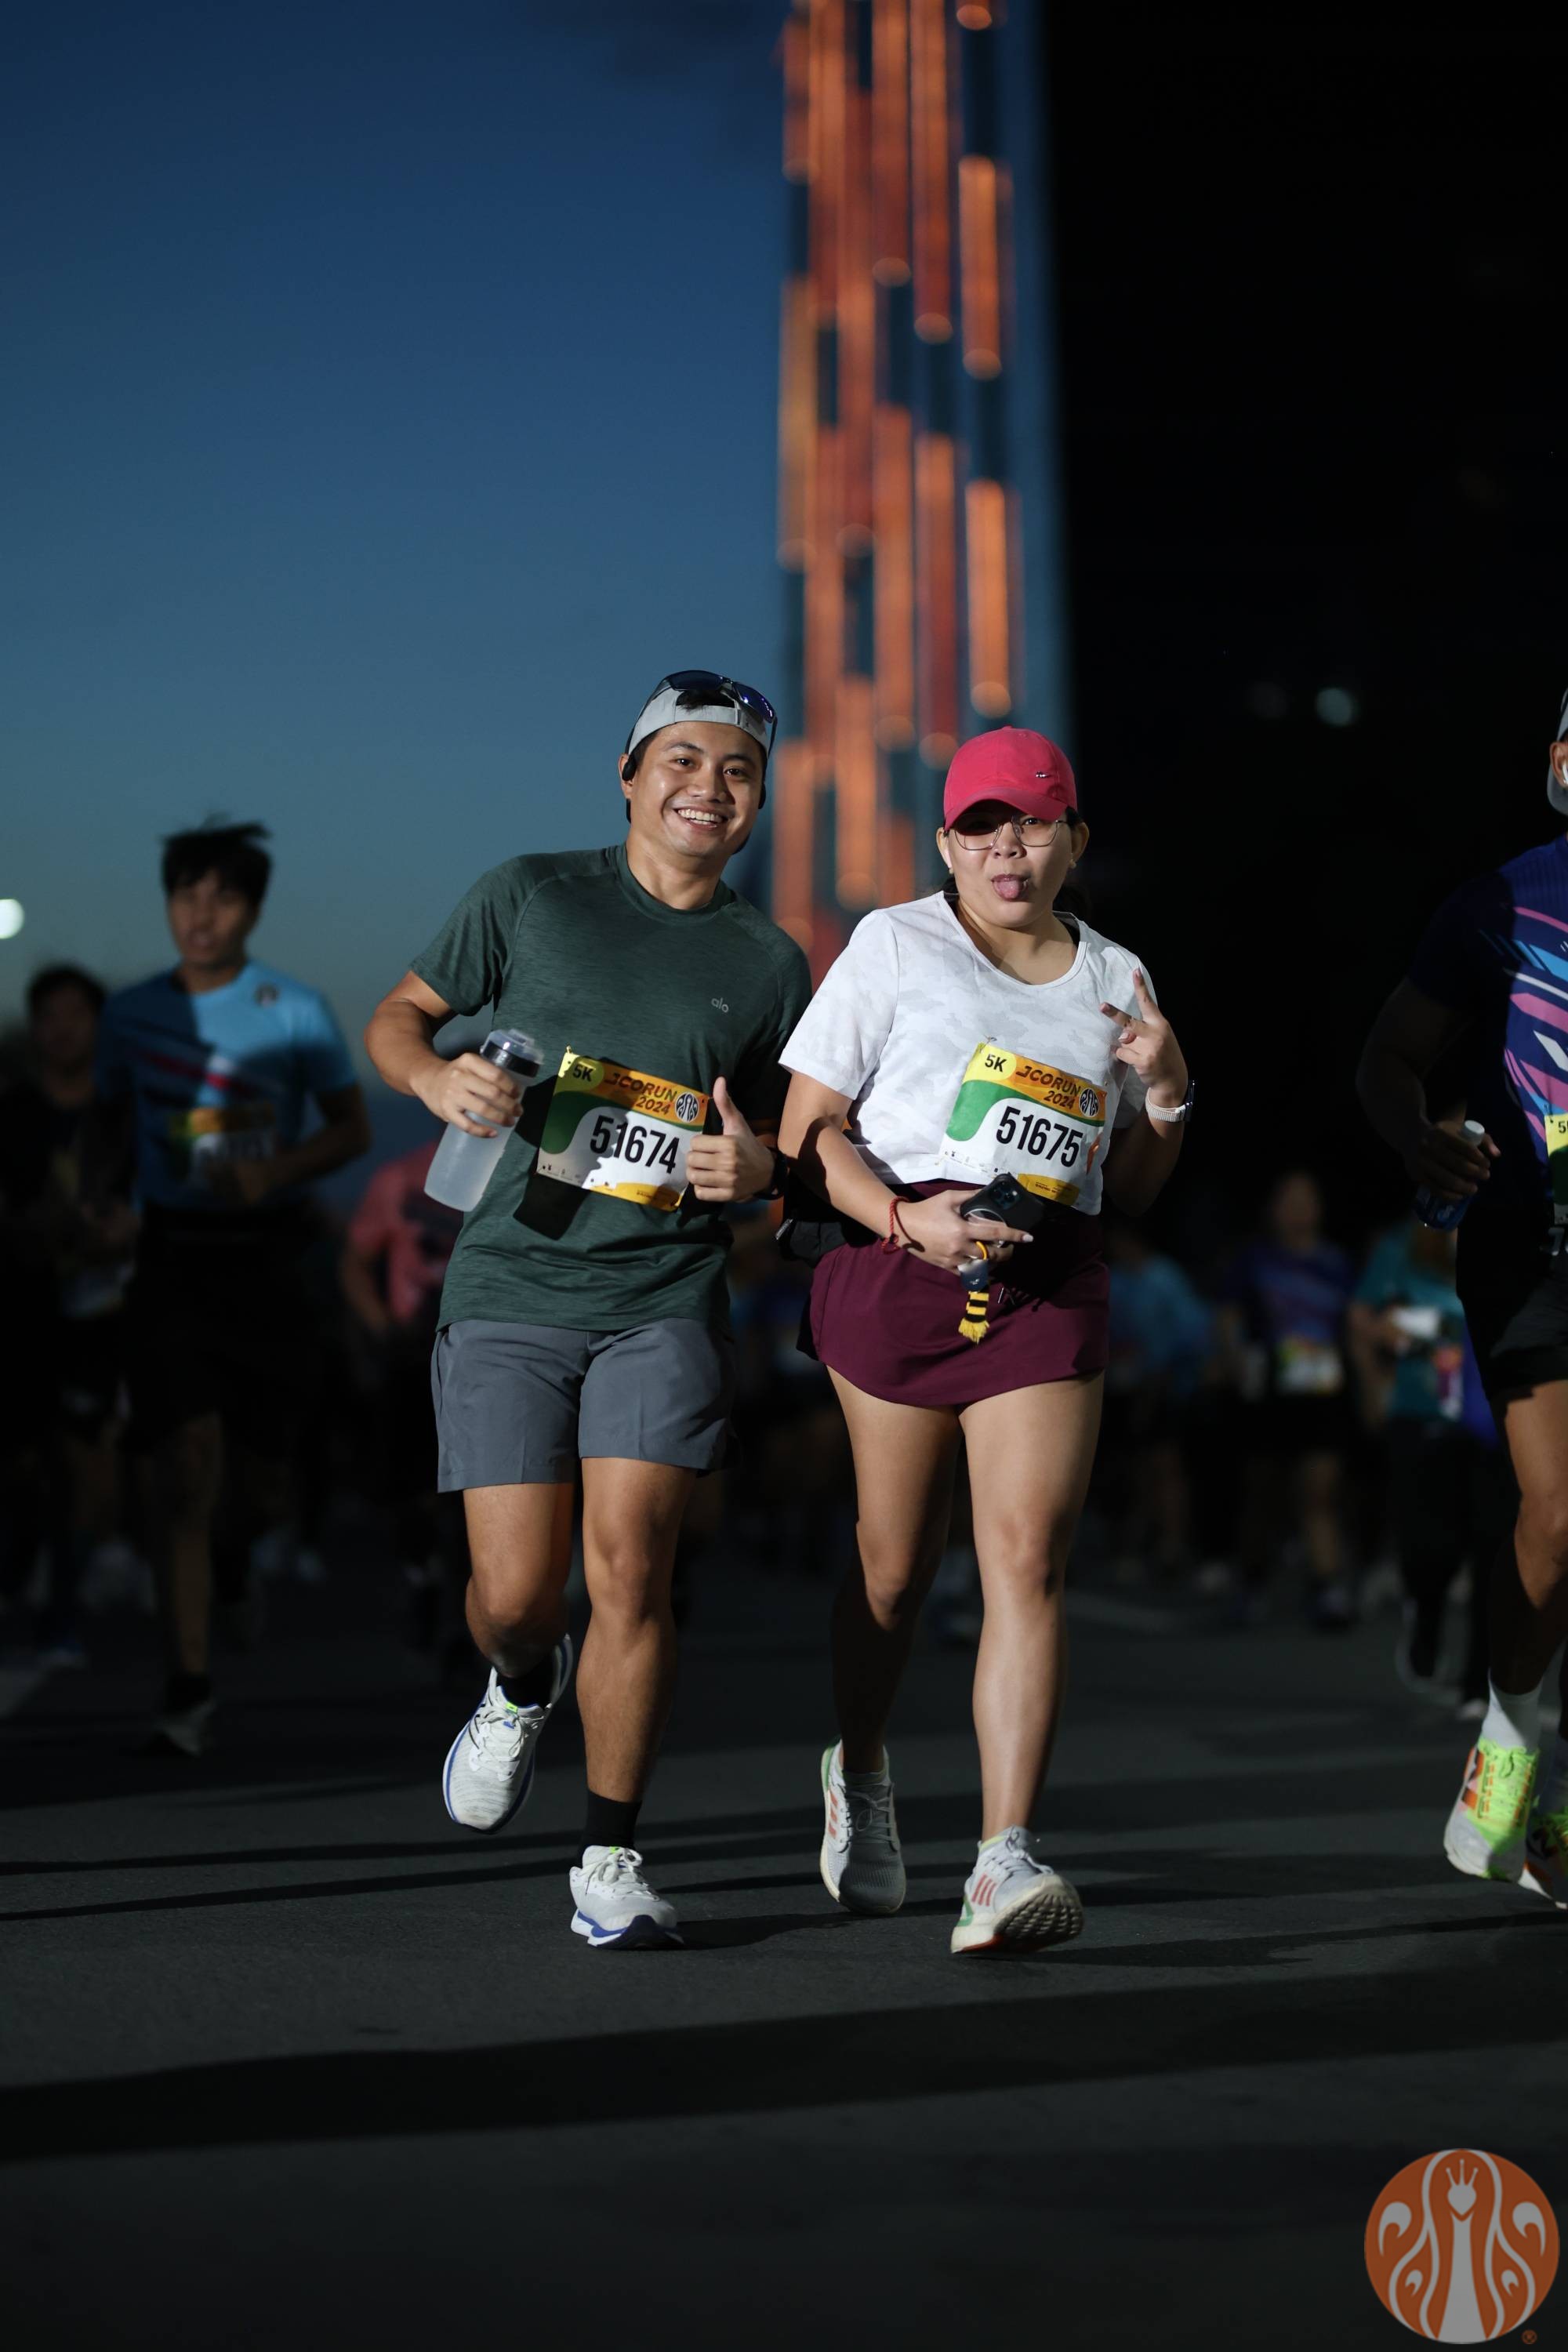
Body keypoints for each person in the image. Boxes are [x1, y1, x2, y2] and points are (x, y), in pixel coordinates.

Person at [365, 671, 811, 1949]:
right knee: (517, 1597)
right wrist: (433, 1078)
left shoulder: (769, 963)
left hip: (664, 1292)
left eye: (736, 770)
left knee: (632, 1572)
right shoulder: (532, 895)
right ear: (627, 776)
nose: (708, 788)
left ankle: (610, 1858)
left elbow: (798, 1137)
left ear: (760, 799)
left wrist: (762, 1169)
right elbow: (400, 1019)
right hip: (513, 1280)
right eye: (682, 760)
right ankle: (519, 1684)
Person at [777, 727, 1192, 1955]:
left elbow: (1137, 1186)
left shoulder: (1118, 975)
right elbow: (807, 1131)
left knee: (1025, 1561)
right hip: (899, 1262)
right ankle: (860, 1768)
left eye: (1033, 824)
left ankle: (1002, 1859)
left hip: (1047, 1283)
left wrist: (1168, 1091)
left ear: (1075, 841)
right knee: (895, 1570)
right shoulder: (895, 944)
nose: (1008, 849)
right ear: (947, 846)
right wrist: (907, 1219)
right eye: (981, 827)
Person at [1358, 691, 1568, 1908]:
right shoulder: (1501, 902)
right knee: (1560, 1514)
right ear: (1561, 763)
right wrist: (1421, 1140)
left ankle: (1552, 1810)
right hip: (1534, 1245)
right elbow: (1387, 1058)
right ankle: (1511, 1733)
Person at [99, 821, 370, 1754]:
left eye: (221, 897)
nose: (201, 914)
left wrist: (275, 1170)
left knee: (259, 1482)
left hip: (268, 1258)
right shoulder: (130, 1014)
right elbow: (106, 1128)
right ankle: (187, 1684)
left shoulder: (292, 1008)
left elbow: (349, 1129)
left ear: (252, 910)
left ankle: (235, 1555)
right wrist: (103, 1203)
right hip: (172, 1257)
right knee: (183, 1461)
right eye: (186, 895)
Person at [0, 965, 136, 1661]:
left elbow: (165, 1191)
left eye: (74, 1014)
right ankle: (26, 1565)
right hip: (22, 1305)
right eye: (48, 1015)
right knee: (24, 1461)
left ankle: (63, 1607)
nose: (61, 1029)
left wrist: (125, 1228)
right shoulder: (13, 1112)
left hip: (102, 1310)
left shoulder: (125, 1113)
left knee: (84, 1460)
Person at [1347, 1218, 1509, 1710]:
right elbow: (1368, 1320)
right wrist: (1437, 1333)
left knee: (1492, 1549)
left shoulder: (1518, 1233)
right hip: (1422, 1415)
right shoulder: (1406, 1242)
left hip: (1498, 1421)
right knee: (1430, 1549)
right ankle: (1426, 1614)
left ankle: (1478, 1681)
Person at [339, 1137, 466, 1653]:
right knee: (412, 1487)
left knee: (473, 1493)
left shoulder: (525, 1170)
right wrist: (382, 1329)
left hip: (484, 1350)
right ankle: (423, 1575)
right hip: (413, 1352)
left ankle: (465, 1615)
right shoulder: (399, 1178)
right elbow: (355, 1260)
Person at [1215, 1171, 1356, 1628]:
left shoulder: (1337, 1263)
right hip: (1268, 1393)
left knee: (1320, 1491)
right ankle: (1251, 1581)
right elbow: (1229, 1317)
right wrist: (1234, 1360)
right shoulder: (1254, 1260)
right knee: (1262, 1492)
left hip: (1323, 1393)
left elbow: (1355, 1322)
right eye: (1288, 1200)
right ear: (1272, 1209)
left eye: (1306, 1200)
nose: (1297, 1210)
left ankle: (1327, 1588)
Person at [1100, 1216, 1213, 1586]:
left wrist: (1162, 1378)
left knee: (1166, 1467)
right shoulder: (1114, 1279)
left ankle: (1172, 1547)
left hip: (1165, 1387)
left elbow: (1190, 1335)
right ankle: (1135, 1544)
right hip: (1121, 1389)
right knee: (1134, 1469)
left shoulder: (1165, 1279)